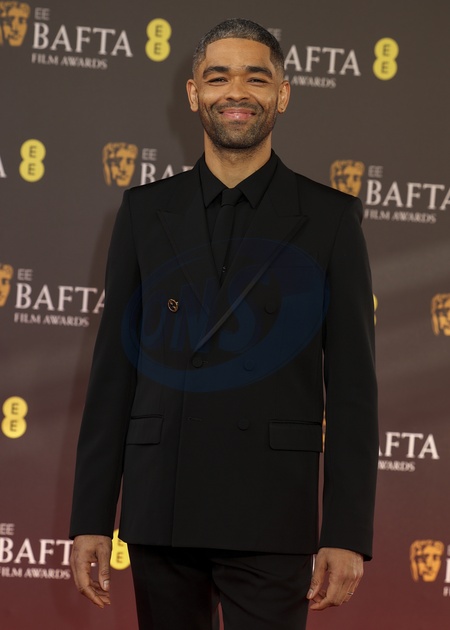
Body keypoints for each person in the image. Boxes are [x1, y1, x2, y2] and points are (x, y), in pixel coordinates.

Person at [70, 18, 378, 630]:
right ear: (193, 94)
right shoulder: (144, 211)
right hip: (164, 506)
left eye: (255, 78)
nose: (236, 92)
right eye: (218, 78)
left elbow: (352, 390)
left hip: (273, 511)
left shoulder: (330, 219)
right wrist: (90, 518)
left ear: (283, 94)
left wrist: (346, 531)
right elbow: (112, 377)